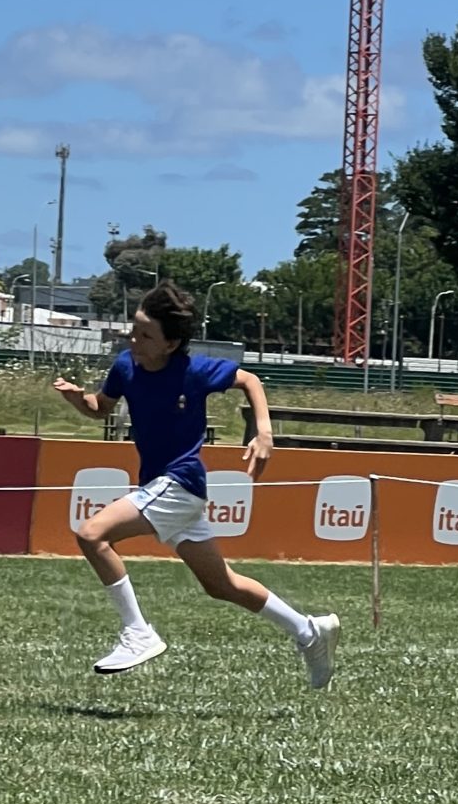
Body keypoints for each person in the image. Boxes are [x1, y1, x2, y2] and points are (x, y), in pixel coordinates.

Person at [54, 280, 340, 689]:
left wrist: (264, 432)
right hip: (163, 487)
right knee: (221, 585)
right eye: (133, 330)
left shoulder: (194, 370)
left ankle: (138, 632)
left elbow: (250, 380)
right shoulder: (125, 366)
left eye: (145, 335)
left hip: (180, 482)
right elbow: (101, 407)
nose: (133, 340)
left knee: (91, 534)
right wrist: (77, 399)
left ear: (171, 344)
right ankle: (309, 631)